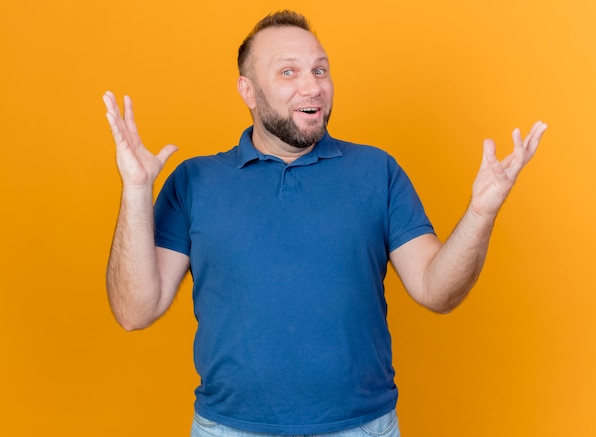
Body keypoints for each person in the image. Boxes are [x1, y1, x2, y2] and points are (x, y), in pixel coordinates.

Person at [103, 10, 547, 437]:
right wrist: (136, 191)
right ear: (248, 90)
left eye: (320, 70)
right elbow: (134, 311)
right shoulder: (195, 181)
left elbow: (438, 291)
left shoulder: (377, 171)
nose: (312, 87)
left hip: (362, 428)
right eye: (288, 73)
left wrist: (481, 212)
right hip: (229, 429)